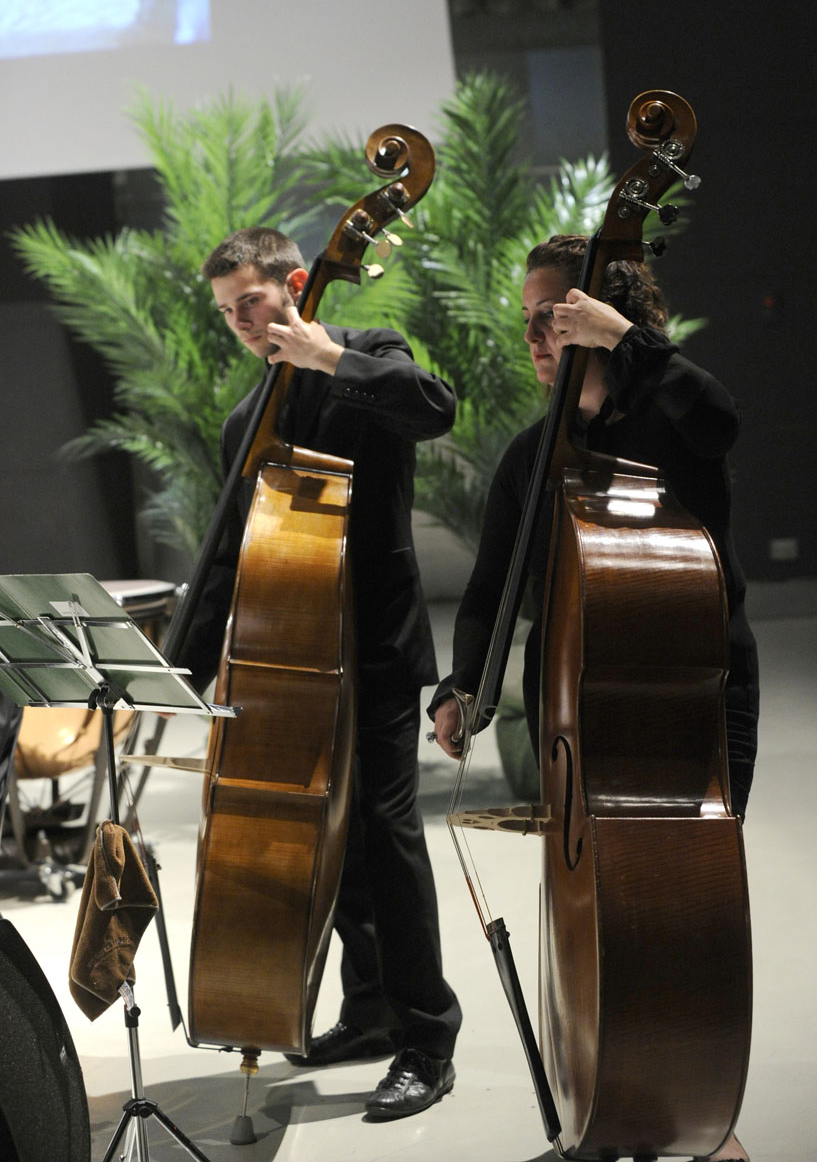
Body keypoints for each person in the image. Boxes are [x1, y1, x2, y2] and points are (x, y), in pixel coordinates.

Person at [428, 233, 757, 1162]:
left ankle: (699, 1122)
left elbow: (721, 418)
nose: (535, 337)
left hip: (689, 702)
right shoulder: (533, 455)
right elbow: (488, 591)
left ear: (602, 318)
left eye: (553, 318)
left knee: (680, 924)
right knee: (591, 925)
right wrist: (462, 687)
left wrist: (625, 341)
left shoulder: (671, 422)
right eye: (528, 321)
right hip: (574, 721)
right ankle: (605, 1119)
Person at [180, 226, 461, 1119]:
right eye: (227, 312)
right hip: (292, 662)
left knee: (387, 832)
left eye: (250, 302)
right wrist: (183, 669)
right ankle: (371, 1011)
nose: (240, 322)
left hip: (376, 647)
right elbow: (231, 559)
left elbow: (436, 408)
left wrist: (329, 357)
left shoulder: (368, 353)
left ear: (297, 284)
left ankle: (428, 1036)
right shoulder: (248, 421)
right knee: (332, 845)